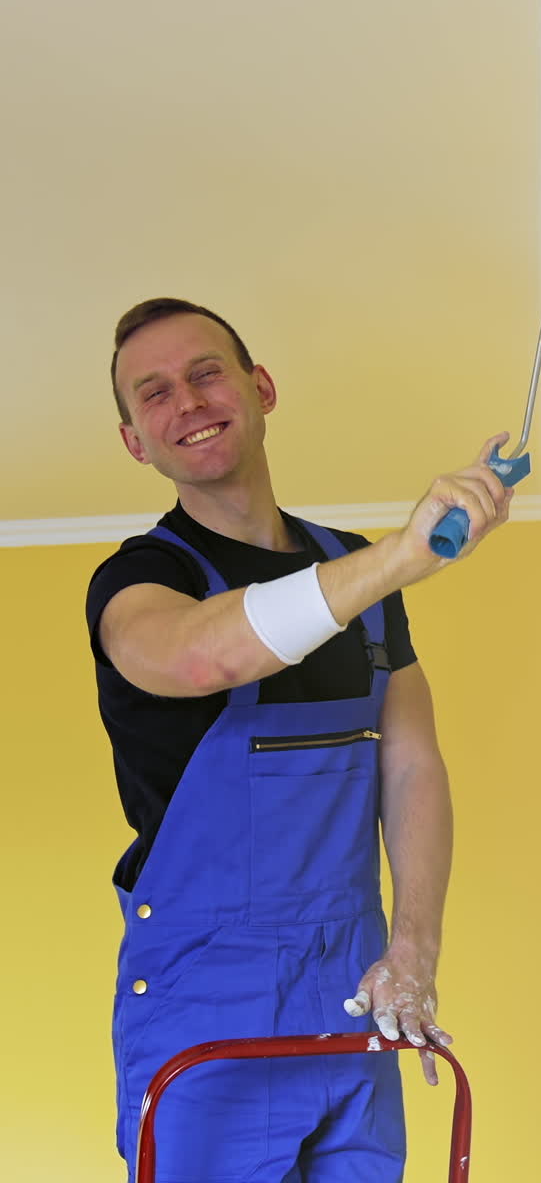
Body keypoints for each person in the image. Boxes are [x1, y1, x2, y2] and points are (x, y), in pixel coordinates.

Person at [86, 296, 513, 1182]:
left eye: (207, 372)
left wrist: (414, 951)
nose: (189, 401)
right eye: (154, 392)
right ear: (136, 441)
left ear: (261, 387)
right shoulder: (138, 581)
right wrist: (399, 558)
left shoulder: (350, 565)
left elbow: (410, 763)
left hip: (353, 989)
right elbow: (199, 656)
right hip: (209, 999)